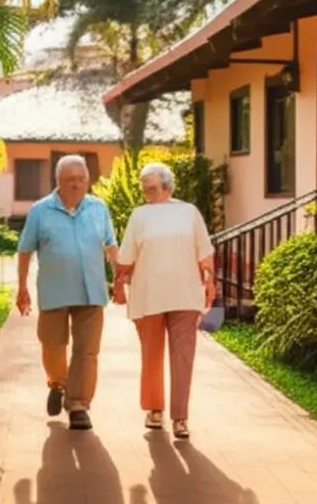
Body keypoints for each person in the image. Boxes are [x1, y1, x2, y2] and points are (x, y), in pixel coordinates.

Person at [113, 162, 215, 439]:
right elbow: (126, 258)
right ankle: (155, 409)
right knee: (152, 355)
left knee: (183, 357)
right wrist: (120, 284)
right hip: (149, 295)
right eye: (145, 189)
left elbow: (204, 252)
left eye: (153, 188)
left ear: (168, 186)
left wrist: (208, 281)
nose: (149, 193)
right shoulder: (139, 215)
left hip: (185, 294)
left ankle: (180, 418)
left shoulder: (189, 212)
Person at [16, 154, 117, 431]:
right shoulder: (40, 210)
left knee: (87, 352)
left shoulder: (99, 208)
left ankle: (79, 405)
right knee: (52, 344)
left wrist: (120, 278)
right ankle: (57, 383)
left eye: (81, 179)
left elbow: (110, 245)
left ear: (88, 181)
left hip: (91, 291)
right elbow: (25, 250)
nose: (76, 185)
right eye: (70, 180)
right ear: (58, 181)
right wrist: (22, 286)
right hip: (54, 289)